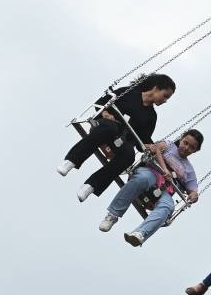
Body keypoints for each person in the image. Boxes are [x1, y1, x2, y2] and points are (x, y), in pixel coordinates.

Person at [58, 73, 176, 202]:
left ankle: (91, 185)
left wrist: (150, 146)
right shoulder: (128, 92)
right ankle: (71, 161)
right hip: (106, 127)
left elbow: (143, 141)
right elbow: (101, 103)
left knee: (129, 155)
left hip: (122, 141)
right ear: (156, 88)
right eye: (165, 96)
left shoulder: (151, 116)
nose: (165, 101)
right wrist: (105, 113)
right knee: (110, 128)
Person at [97, 129, 203, 246]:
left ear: (196, 151)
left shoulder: (189, 170)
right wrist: (164, 168)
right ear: (181, 138)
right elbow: (157, 148)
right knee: (144, 178)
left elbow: (193, 191)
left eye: (192, 147)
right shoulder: (169, 145)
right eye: (185, 143)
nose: (186, 148)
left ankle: (140, 233)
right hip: (150, 174)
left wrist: (194, 196)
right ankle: (113, 215)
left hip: (165, 190)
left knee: (168, 206)